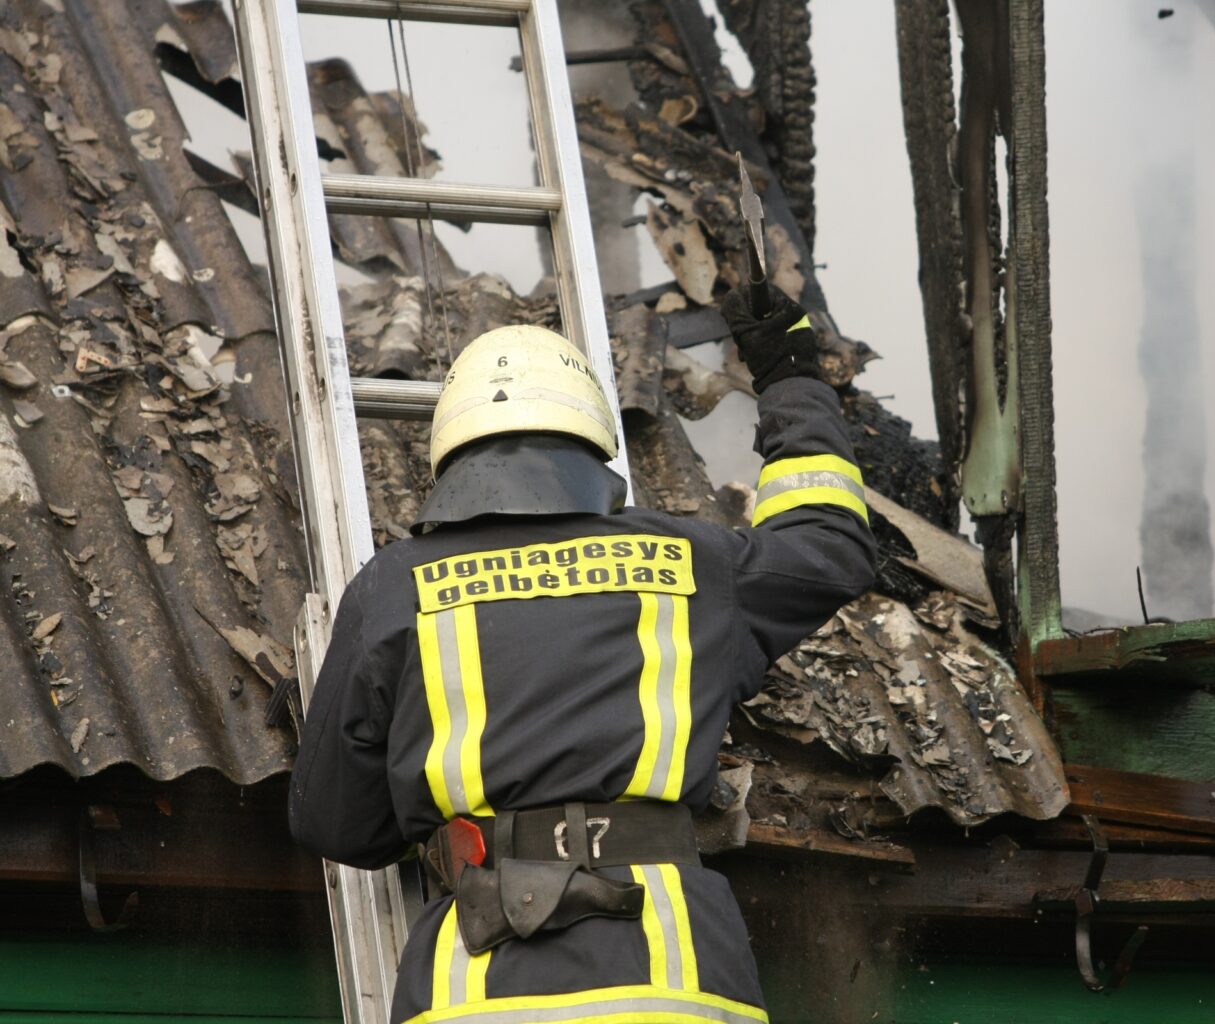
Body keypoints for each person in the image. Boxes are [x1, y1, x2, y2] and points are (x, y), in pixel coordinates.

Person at [288, 284, 877, 1024]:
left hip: (474, 989)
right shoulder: (691, 563)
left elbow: (337, 827)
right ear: (594, 444)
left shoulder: (395, 586)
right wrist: (792, 378)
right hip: (675, 978)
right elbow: (831, 544)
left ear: (451, 454)